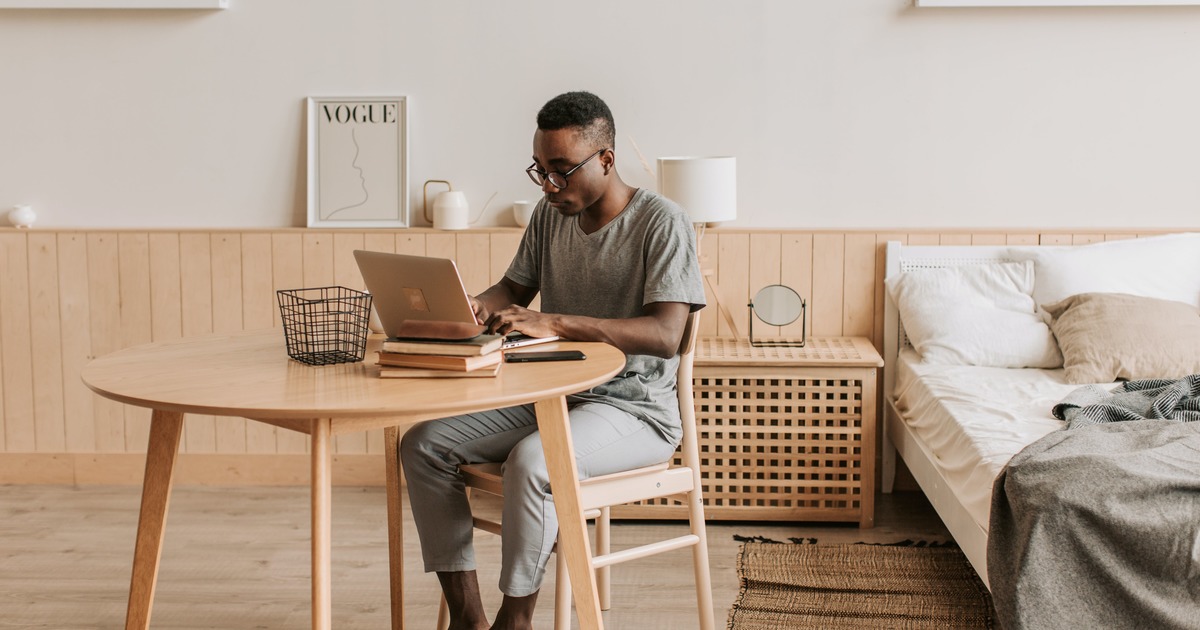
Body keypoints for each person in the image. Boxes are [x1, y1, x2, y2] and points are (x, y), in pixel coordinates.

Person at [399, 90, 706, 630]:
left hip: (635, 410)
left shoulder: (663, 222)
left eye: (562, 170)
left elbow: (665, 334)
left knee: (532, 463)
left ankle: (515, 620)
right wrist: (471, 306)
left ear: (606, 160)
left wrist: (556, 321)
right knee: (423, 444)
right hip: (551, 394)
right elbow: (512, 288)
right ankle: (470, 619)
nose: (548, 184)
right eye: (540, 170)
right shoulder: (550, 215)